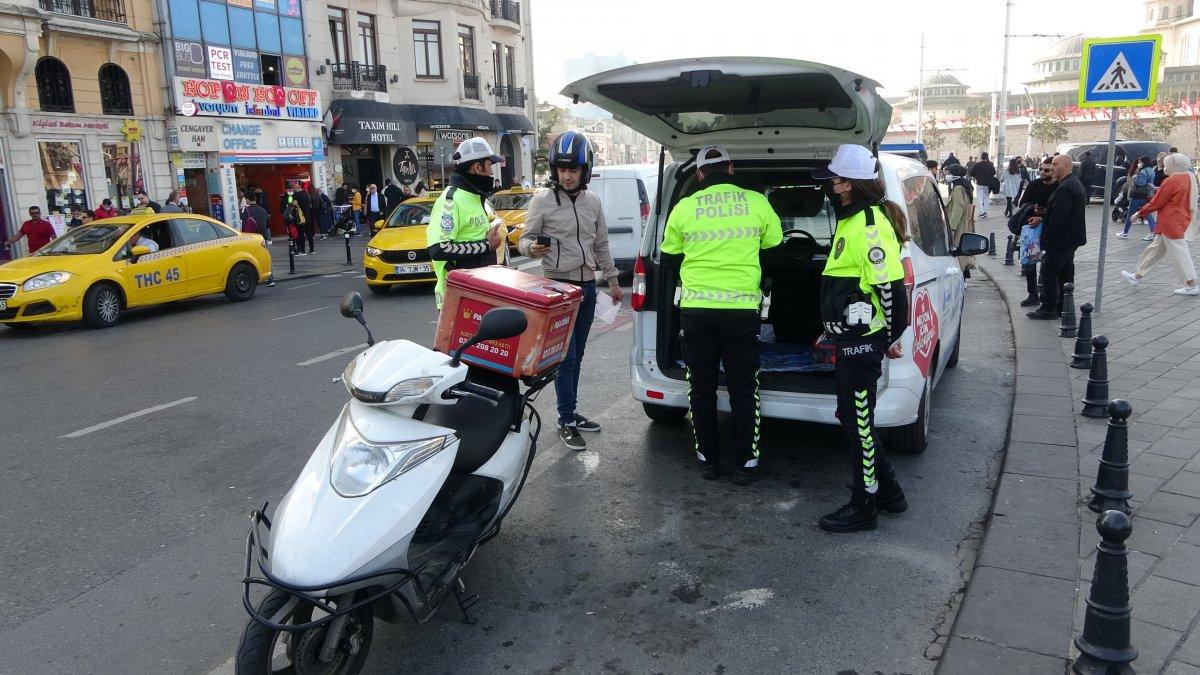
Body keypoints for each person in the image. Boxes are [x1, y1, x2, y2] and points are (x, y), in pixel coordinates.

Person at [656, 145, 782, 482]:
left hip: (697, 311)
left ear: (699, 174)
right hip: (741, 311)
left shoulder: (684, 207)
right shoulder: (756, 202)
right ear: (730, 168)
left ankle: (707, 459)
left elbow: (669, 256)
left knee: (701, 387)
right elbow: (774, 245)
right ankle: (746, 464)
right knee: (744, 388)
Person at [811, 144, 910, 532]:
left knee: (857, 423)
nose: (829, 187)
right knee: (853, 418)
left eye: (833, 180)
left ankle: (864, 504)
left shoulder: (869, 224)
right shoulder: (854, 220)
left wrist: (884, 339)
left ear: (848, 184)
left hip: (861, 343)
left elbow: (890, 289)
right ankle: (890, 493)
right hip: (853, 338)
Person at [517, 131, 625, 451]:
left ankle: (572, 413)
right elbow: (524, 240)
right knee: (565, 358)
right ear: (554, 170)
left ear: (584, 171)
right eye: (562, 169)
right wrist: (532, 248)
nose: (567, 175)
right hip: (557, 289)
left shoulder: (593, 202)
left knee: (578, 355)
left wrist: (614, 281)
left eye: (573, 170)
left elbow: (601, 244)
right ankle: (565, 420)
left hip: (588, 288)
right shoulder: (542, 200)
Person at [425, 137, 504, 309]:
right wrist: (485, 245)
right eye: (489, 165)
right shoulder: (451, 200)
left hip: (479, 293)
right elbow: (439, 248)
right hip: (458, 300)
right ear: (477, 167)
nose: (491, 172)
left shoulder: (476, 196)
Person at [1121, 153, 1200, 296]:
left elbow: (1158, 202)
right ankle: (1137, 275)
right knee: (1154, 250)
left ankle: (1192, 284)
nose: (1164, 166)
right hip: (1176, 221)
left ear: (1175, 165)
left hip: (1170, 222)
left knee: (1179, 254)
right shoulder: (1188, 177)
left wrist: (1139, 214)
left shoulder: (1172, 180)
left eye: (1167, 164)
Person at [1028, 154, 1087, 320]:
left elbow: (1059, 218)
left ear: (1066, 166)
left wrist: (1046, 237)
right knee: (1065, 274)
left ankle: (1048, 308)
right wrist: (1043, 215)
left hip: (1061, 240)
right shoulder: (1070, 184)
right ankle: (1063, 306)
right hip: (1069, 239)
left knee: (1049, 271)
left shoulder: (1066, 187)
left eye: (1054, 164)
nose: (1051, 168)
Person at [1015, 158, 1058, 306]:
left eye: (1046, 170)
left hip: (1049, 230)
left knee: (1048, 266)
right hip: (1031, 229)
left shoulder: (1059, 187)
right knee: (1029, 262)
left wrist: (1044, 214)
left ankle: (1047, 296)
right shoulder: (1034, 185)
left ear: (1053, 171)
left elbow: (1058, 211)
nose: (1042, 172)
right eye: (1041, 169)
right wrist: (1033, 208)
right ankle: (1033, 294)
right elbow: (1023, 204)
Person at [945, 164, 976, 278]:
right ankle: (964, 276)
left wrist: (952, 228)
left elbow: (958, 208)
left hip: (959, 224)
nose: (946, 175)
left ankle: (961, 277)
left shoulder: (958, 188)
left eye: (948, 173)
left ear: (954, 175)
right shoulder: (964, 185)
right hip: (964, 222)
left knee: (957, 250)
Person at [1119, 156, 1158, 240]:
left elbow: (1141, 183)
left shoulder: (1143, 171)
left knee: (1130, 213)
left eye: (1140, 162)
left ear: (1144, 162)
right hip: (1146, 194)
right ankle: (1152, 232)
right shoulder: (1152, 170)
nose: (1138, 164)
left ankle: (1125, 232)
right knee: (1146, 212)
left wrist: (1135, 178)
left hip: (1137, 194)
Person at [968, 152, 996, 219]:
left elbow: (971, 173)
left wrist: (977, 176)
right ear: (987, 157)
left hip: (979, 183)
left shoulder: (977, 164)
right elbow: (994, 173)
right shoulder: (990, 164)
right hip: (988, 184)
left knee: (980, 198)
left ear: (981, 157)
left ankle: (982, 212)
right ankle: (985, 212)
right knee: (986, 198)